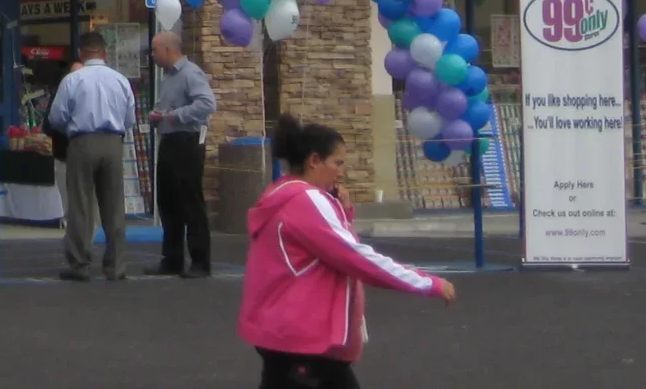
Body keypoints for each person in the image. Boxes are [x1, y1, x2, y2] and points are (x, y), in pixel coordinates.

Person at [241, 113, 455, 388]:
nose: (341, 172)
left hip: (282, 330)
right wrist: (428, 283)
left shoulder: (280, 193)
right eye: (337, 163)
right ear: (314, 160)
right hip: (302, 335)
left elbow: (329, 246)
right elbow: (356, 256)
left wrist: (342, 212)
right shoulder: (307, 200)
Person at [45, 31, 136, 282]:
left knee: (81, 205)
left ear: (81, 54)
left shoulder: (73, 80)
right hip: (113, 142)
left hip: (82, 141)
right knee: (114, 206)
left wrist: (72, 131)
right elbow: (129, 118)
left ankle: (80, 263)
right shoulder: (120, 80)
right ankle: (116, 266)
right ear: (105, 53)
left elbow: (56, 118)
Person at [149, 30, 216, 277]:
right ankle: (172, 259)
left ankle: (200, 261)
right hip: (168, 140)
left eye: (155, 50)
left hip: (186, 142)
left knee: (190, 202)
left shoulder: (191, 74)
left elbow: (207, 104)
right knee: (168, 203)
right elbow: (165, 108)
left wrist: (175, 115)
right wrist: (157, 116)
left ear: (168, 50)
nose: (153, 55)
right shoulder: (167, 78)